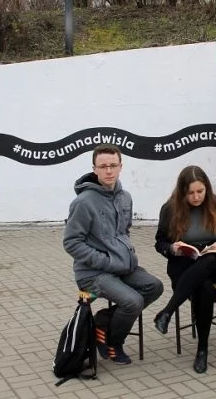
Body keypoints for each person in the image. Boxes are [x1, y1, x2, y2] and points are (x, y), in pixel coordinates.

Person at [63, 144, 163, 365]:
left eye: (113, 165)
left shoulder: (125, 197)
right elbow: (71, 242)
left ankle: (103, 322)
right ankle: (114, 342)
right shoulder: (83, 202)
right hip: (93, 273)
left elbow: (124, 231)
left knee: (154, 286)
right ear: (94, 169)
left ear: (120, 167)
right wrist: (105, 261)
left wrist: (126, 255)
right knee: (133, 301)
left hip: (123, 266)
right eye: (103, 166)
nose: (108, 170)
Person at [153, 166, 216, 373]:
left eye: (200, 191)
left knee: (209, 260)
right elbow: (160, 242)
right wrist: (172, 248)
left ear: (207, 188)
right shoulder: (170, 209)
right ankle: (202, 350)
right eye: (190, 193)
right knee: (204, 288)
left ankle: (167, 311)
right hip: (185, 262)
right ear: (182, 192)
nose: (196, 197)